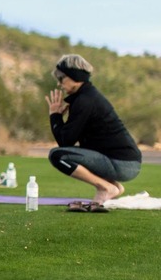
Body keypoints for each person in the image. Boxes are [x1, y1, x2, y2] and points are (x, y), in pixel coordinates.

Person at [46, 54, 141, 210]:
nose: (59, 84)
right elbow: (66, 139)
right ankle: (112, 186)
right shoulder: (87, 96)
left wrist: (55, 116)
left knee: (57, 155)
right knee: (64, 153)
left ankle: (106, 187)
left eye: (61, 78)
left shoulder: (84, 100)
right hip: (126, 162)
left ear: (74, 76)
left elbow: (65, 142)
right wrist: (56, 117)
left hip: (122, 164)